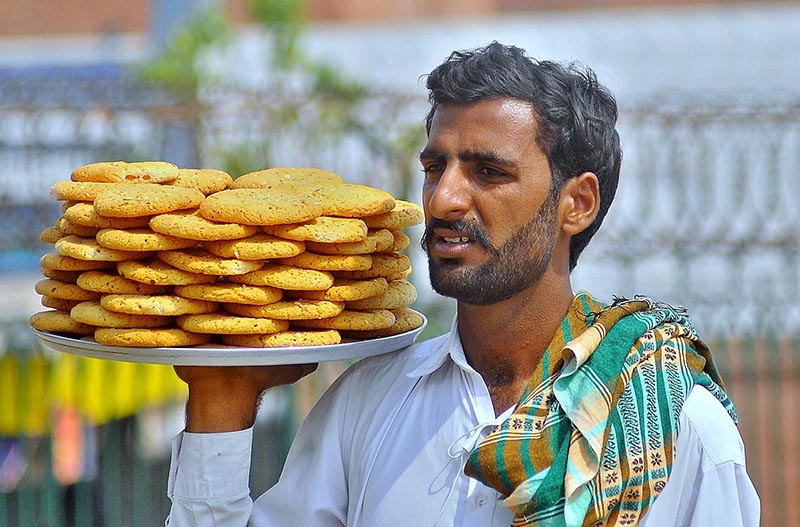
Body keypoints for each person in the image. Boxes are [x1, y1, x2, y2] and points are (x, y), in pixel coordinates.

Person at [165, 42, 759, 526]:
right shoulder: (368, 404)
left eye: (489, 172)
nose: (443, 198)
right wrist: (222, 400)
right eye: (434, 168)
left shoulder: (677, 428)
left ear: (576, 204)